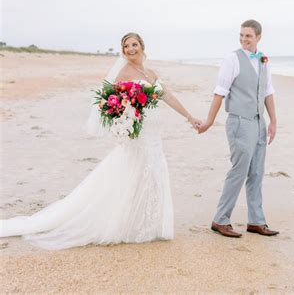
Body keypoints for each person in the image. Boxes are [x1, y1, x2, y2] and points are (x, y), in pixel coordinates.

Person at [0, 32, 201, 250]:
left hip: (154, 135)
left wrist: (189, 117)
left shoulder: (150, 72)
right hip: (139, 135)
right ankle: (127, 224)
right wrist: (127, 117)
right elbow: (109, 103)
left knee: (153, 174)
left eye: (134, 44)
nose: (131, 49)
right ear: (123, 51)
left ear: (142, 46)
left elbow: (167, 96)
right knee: (136, 173)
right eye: (126, 46)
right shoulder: (123, 72)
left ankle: (148, 224)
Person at [197, 20, 279, 238]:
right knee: (239, 171)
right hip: (240, 122)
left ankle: (256, 221)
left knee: (256, 172)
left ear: (258, 37)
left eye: (248, 36)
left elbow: (268, 91)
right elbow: (220, 91)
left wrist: (273, 121)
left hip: (259, 121)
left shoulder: (264, 60)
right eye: (241, 35)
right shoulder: (232, 59)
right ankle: (220, 220)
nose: (244, 39)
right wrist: (209, 121)